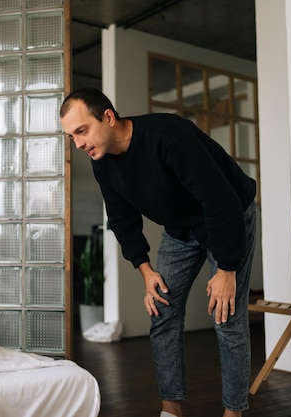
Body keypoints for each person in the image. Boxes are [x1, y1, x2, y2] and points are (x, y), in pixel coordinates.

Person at [60, 87, 257, 417]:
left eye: (82, 131)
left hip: (229, 218)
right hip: (180, 232)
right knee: (162, 310)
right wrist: (146, 270)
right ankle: (170, 409)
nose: (78, 143)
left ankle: (233, 413)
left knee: (227, 317)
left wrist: (226, 270)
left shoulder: (170, 137)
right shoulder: (102, 161)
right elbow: (123, 220)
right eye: (71, 136)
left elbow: (220, 203)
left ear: (108, 117)